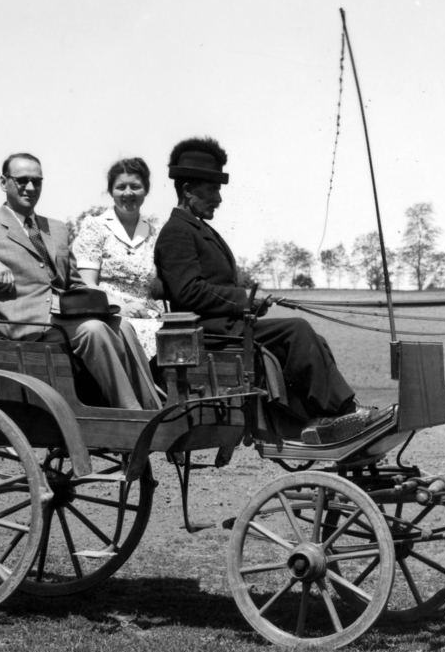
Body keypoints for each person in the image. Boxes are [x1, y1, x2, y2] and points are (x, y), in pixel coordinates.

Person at [153, 136, 377, 442]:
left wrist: (248, 301)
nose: (218, 199)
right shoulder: (176, 232)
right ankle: (343, 413)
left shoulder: (197, 228)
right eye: (212, 191)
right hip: (210, 335)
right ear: (188, 190)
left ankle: (324, 419)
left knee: (314, 340)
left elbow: (214, 285)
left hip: (228, 327)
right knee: (296, 331)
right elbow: (188, 292)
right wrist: (244, 300)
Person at [0, 152, 159, 411]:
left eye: (37, 181)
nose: (31, 187)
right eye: (22, 180)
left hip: (66, 318)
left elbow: (75, 283)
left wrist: (107, 304)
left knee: (123, 325)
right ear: (4, 183)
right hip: (26, 324)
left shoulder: (56, 228)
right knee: (94, 330)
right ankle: (132, 415)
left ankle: (154, 408)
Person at [72, 157, 163, 353]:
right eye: (121, 187)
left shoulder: (156, 232)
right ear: (111, 191)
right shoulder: (95, 227)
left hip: (147, 314)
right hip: (108, 311)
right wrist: (121, 306)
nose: (128, 193)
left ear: (145, 189)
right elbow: (87, 284)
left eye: (135, 186)